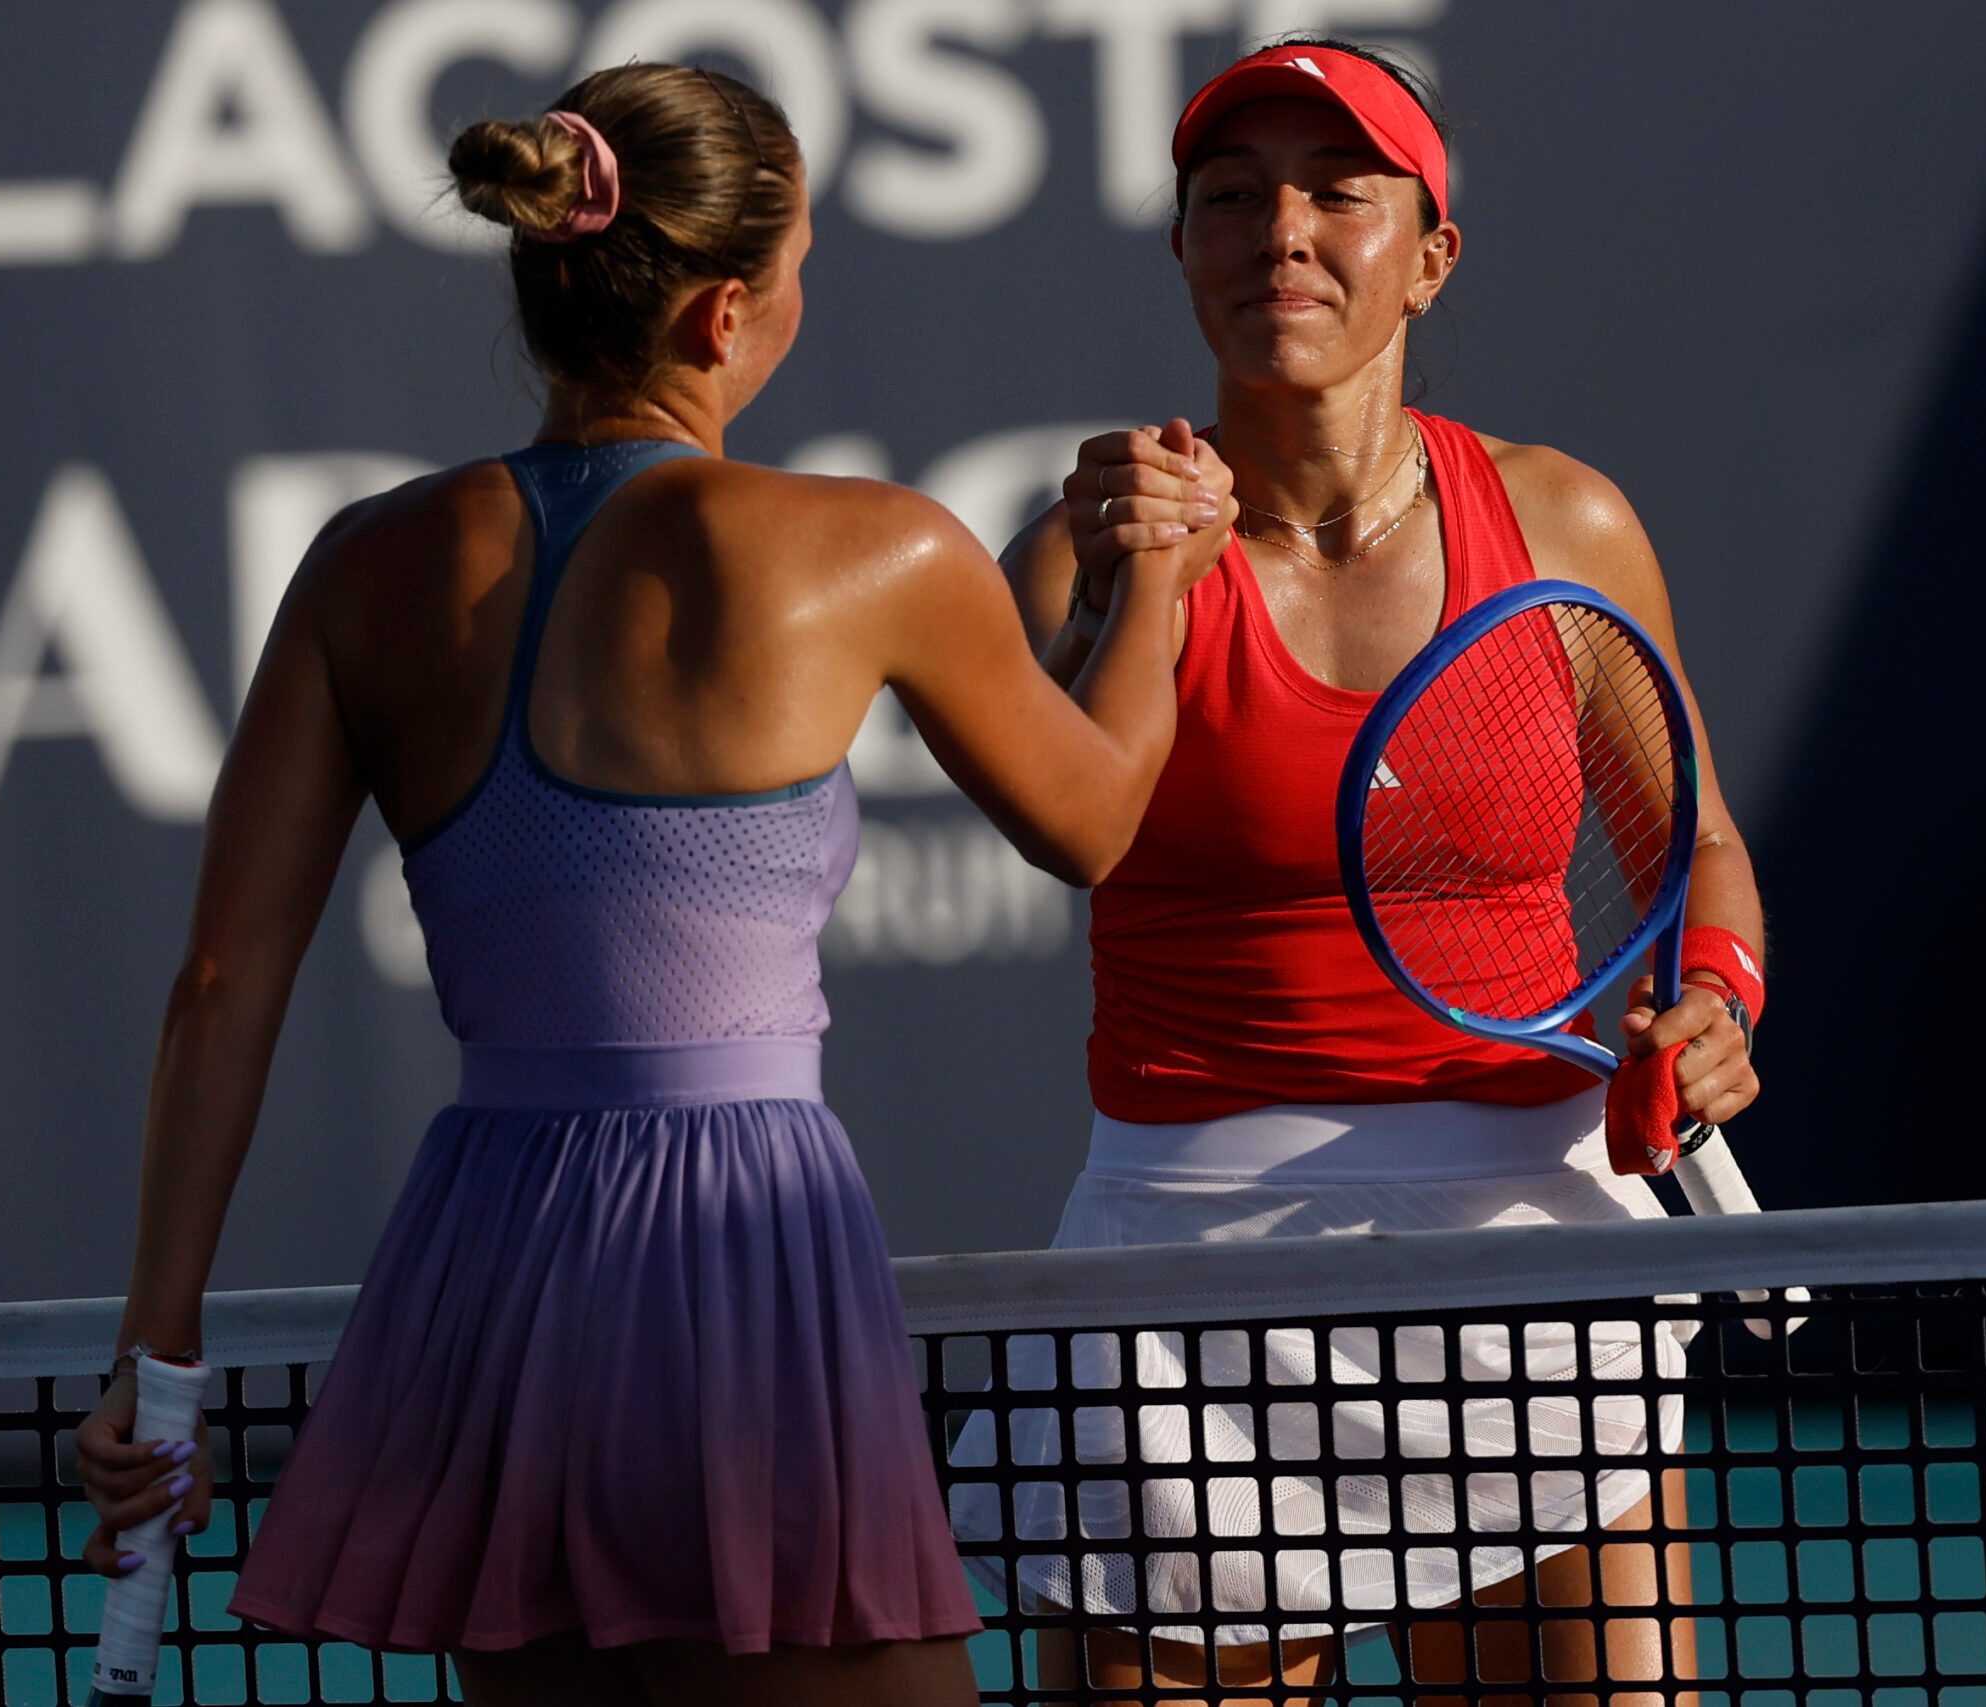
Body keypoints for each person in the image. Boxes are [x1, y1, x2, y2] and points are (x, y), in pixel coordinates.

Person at [71, 63, 1220, 1707]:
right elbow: (1096, 819)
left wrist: (154, 1350)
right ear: (728, 309)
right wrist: (1162, 577)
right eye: (806, 268)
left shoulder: (362, 563)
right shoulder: (876, 547)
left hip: (489, 1268)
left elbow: (219, 987)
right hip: (740, 1249)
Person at [997, 37, 1769, 1704]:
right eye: (1230, 198)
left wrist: (1712, 1001)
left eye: (1339, 193)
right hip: (1185, 1296)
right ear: (1187, 252)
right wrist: (1129, 595)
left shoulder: (1565, 521)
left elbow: (1687, 846)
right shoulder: (1084, 544)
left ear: (1429, 257)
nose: (1281, 230)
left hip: (1533, 1263)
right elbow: (1064, 818)